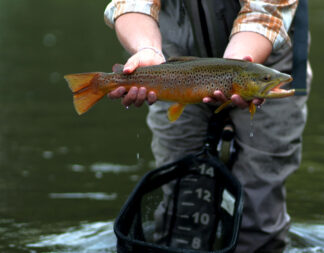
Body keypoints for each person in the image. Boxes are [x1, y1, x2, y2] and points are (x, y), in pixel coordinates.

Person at [104, 0, 311, 252]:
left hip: (274, 59)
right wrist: (147, 49)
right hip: (170, 63)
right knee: (180, 188)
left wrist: (232, 69)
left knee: (260, 197)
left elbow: (262, 13)